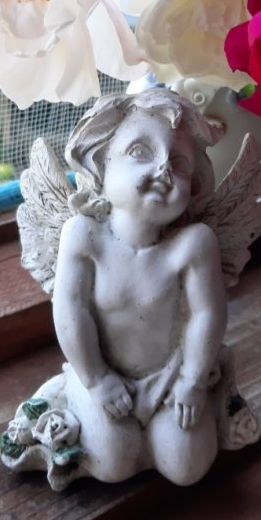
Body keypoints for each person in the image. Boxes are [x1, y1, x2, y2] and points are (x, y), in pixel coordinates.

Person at [52, 89, 227, 485]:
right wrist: (96, 379)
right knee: (112, 462)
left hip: (170, 378)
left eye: (179, 163)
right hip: (101, 373)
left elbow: (207, 314)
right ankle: (70, 396)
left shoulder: (194, 244)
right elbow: (70, 311)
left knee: (187, 467)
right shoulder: (83, 236)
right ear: (101, 162)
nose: (163, 168)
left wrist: (192, 381)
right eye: (139, 152)